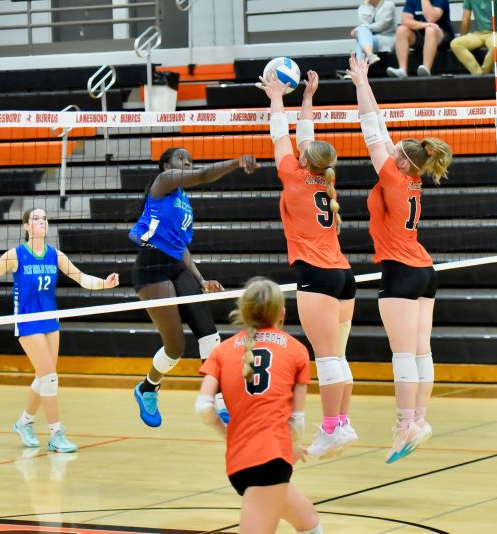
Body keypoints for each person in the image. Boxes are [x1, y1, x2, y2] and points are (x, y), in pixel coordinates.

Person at [0, 208, 120, 452]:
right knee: (50, 377)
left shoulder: (56, 255)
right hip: (28, 321)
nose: (41, 221)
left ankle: (24, 423)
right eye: (36, 219)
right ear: (26, 226)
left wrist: (105, 284)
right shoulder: (15, 255)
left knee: (44, 376)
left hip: (50, 319)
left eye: (44, 219)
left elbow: (82, 278)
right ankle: (56, 433)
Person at [347, 55, 452, 463]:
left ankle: (405, 423)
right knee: (422, 350)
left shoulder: (392, 174)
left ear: (402, 160)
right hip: (424, 269)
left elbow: (371, 127)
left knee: (404, 354)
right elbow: (383, 131)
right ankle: (419, 419)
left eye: (395, 151)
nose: (389, 150)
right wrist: (364, 81)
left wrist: (360, 82)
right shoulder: (409, 178)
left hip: (401, 271)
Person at [257, 70, 358, 459]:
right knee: (339, 356)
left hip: (316, 276)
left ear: (306, 159)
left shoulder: (293, 175)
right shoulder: (321, 179)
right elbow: (304, 138)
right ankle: (341, 424)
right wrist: (309, 96)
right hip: (343, 275)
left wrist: (276, 95)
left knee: (328, 358)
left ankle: (331, 428)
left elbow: (281, 134)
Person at [130, 148, 259, 427]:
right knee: (175, 346)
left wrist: (201, 280)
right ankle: (147, 388)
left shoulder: (183, 199)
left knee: (207, 331)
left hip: (176, 265)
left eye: (189, 160)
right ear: (166, 165)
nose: (187, 163)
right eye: (180, 159)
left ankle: (222, 400)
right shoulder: (163, 183)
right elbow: (201, 175)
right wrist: (236, 160)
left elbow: (180, 246)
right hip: (151, 267)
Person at [196, 277, 322, 534]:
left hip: (240, 461)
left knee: (308, 520)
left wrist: (228, 433)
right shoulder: (297, 350)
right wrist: (292, 447)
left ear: (243, 310)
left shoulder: (221, 351)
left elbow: (204, 407)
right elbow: (297, 421)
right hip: (271, 459)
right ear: (282, 313)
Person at [386, 0, 454, 79]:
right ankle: (402, 69)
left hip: (441, 36)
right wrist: (425, 25)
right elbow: (405, 21)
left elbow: (431, 18)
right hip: (421, 37)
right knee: (401, 30)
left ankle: (426, 68)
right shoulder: (412, 1)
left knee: (430, 29)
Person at [450, 0, 497, 75]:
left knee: (495, 47)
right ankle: (478, 74)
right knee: (455, 44)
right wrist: (462, 37)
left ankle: (484, 74)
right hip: (479, 34)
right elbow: (466, 18)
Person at [352, 0, 397, 66]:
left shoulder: (389, 5)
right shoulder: (362, 8)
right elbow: (363, 26)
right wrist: (361, 29)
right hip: (369, 40)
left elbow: (382, 25)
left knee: (361, 38)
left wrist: (360, 29)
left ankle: (358, 69)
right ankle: (370, 55)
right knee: (362, 35)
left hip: (386, 38)